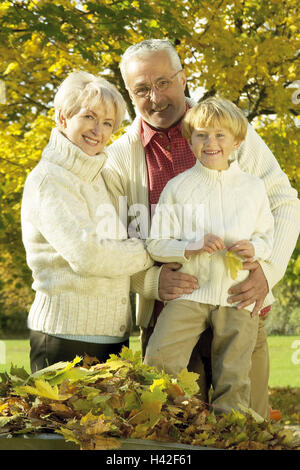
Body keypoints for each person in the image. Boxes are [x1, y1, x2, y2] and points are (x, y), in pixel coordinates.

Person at [102, 39, 300, 418]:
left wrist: (268, 273)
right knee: (167, 424)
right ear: (129, 93)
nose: (155, 98)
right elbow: (112, 241)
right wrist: (150, 280)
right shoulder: (117, 159)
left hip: (241, 303)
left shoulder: (229, 129)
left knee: (243, 421)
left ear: (183, 77)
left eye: (163, 83)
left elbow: (284, 203)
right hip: (170, 313)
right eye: (142, 89)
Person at [144, 97, 274, 412]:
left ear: (237, 141)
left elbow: (267, 236)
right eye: (201, 135)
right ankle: (162, 425)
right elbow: (157, 244)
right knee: (158, 361)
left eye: (220, 135)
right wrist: (190, 246)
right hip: (190, 291)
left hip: (235, 295)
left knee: (235, 374)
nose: (210, 143)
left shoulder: (253, 188)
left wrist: (254, 249)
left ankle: (230, 433)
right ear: (191, 141)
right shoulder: (177, 188)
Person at [21, 71, 153, 372]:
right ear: (63, 118)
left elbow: (119, 248)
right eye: (89, 117)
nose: (98, 130)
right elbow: (88, 255)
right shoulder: (49, 180)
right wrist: (152, 247)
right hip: (64, 338)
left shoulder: (104, 178)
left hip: (115, 338)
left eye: (108, 123)